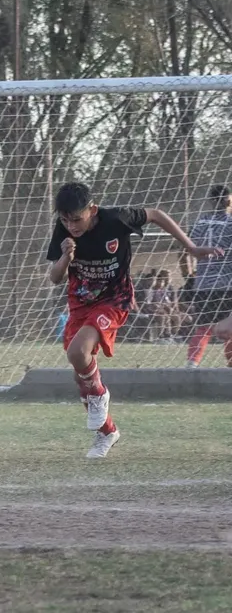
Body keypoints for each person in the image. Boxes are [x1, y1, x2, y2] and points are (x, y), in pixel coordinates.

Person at [46, 182, 221, 459]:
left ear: (92, 210)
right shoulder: (64, 231)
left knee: (78, 353)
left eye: (76, 219)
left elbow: (155, 214)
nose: (71, 226)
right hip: (80, 304)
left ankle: (100, 398)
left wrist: (191, 247)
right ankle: (107, 432)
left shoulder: (116, 219)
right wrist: (66, 256)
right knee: (80, 367)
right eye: (65, 220)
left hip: (114, 300)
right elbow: (55, 277)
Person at [186, 185, 232, 367]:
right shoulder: (230, 223)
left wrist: (189, 275)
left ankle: (191, 364)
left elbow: (184, 250)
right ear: (228, 201)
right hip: (226, 283)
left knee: (203, 327)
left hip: (203, 284)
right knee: (229, 329)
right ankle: (230, 365)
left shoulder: (200, 222)